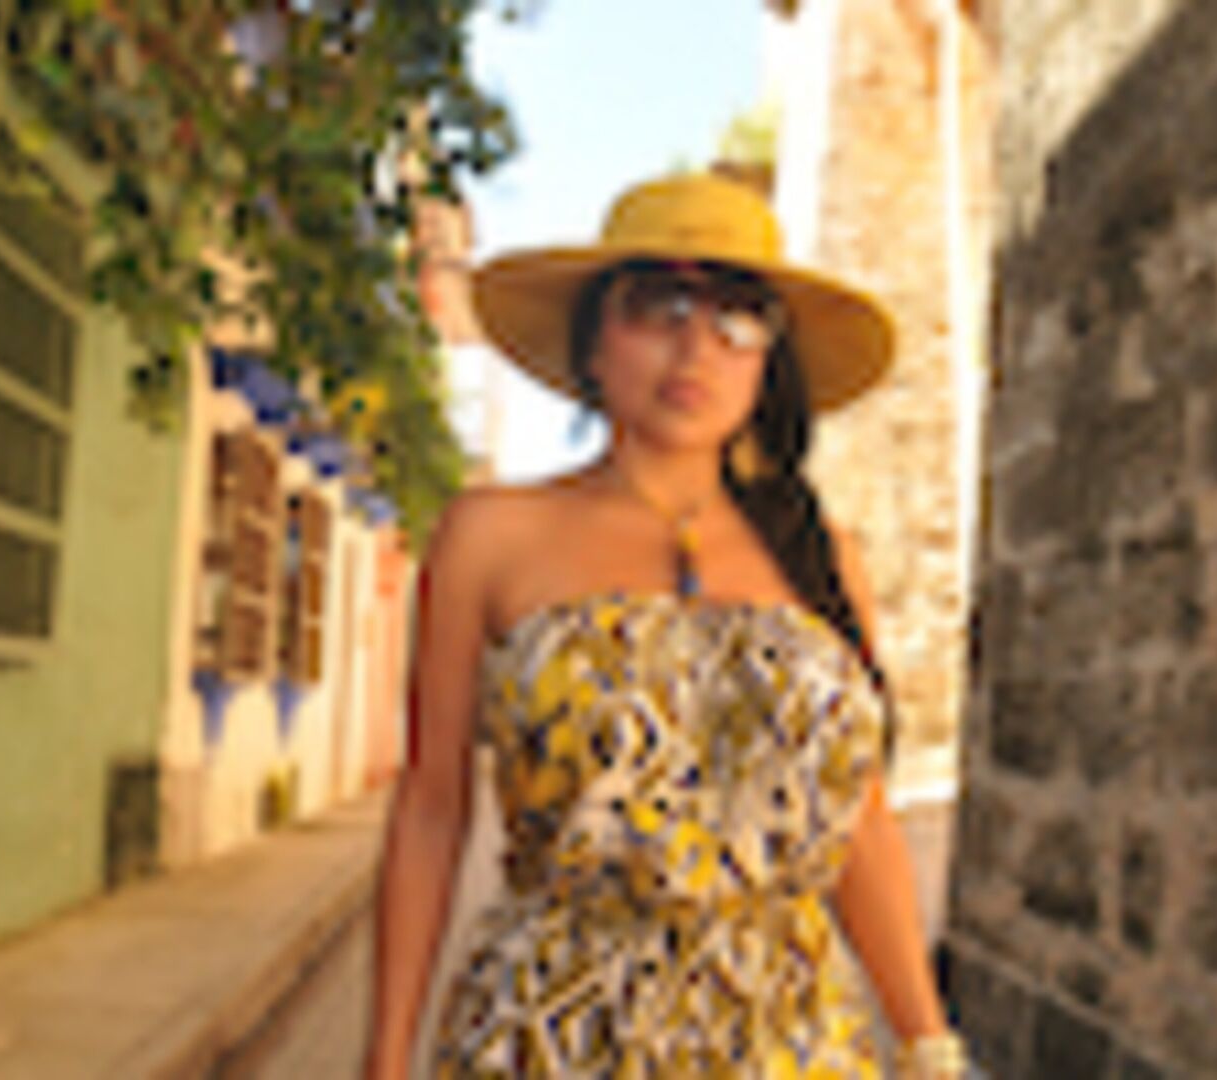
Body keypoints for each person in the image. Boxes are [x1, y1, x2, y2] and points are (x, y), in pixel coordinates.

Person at [362, 172, 972, 1078]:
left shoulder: (823, 558)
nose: (695, 348)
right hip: (555, 1038)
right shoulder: (491, 536)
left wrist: (928, 1045)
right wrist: (384, 1061)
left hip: (791, 1047)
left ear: (768, 361)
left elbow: (863, 826)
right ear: (593, 344)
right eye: (658, 308)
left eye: (738, 319)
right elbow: (429, 811)